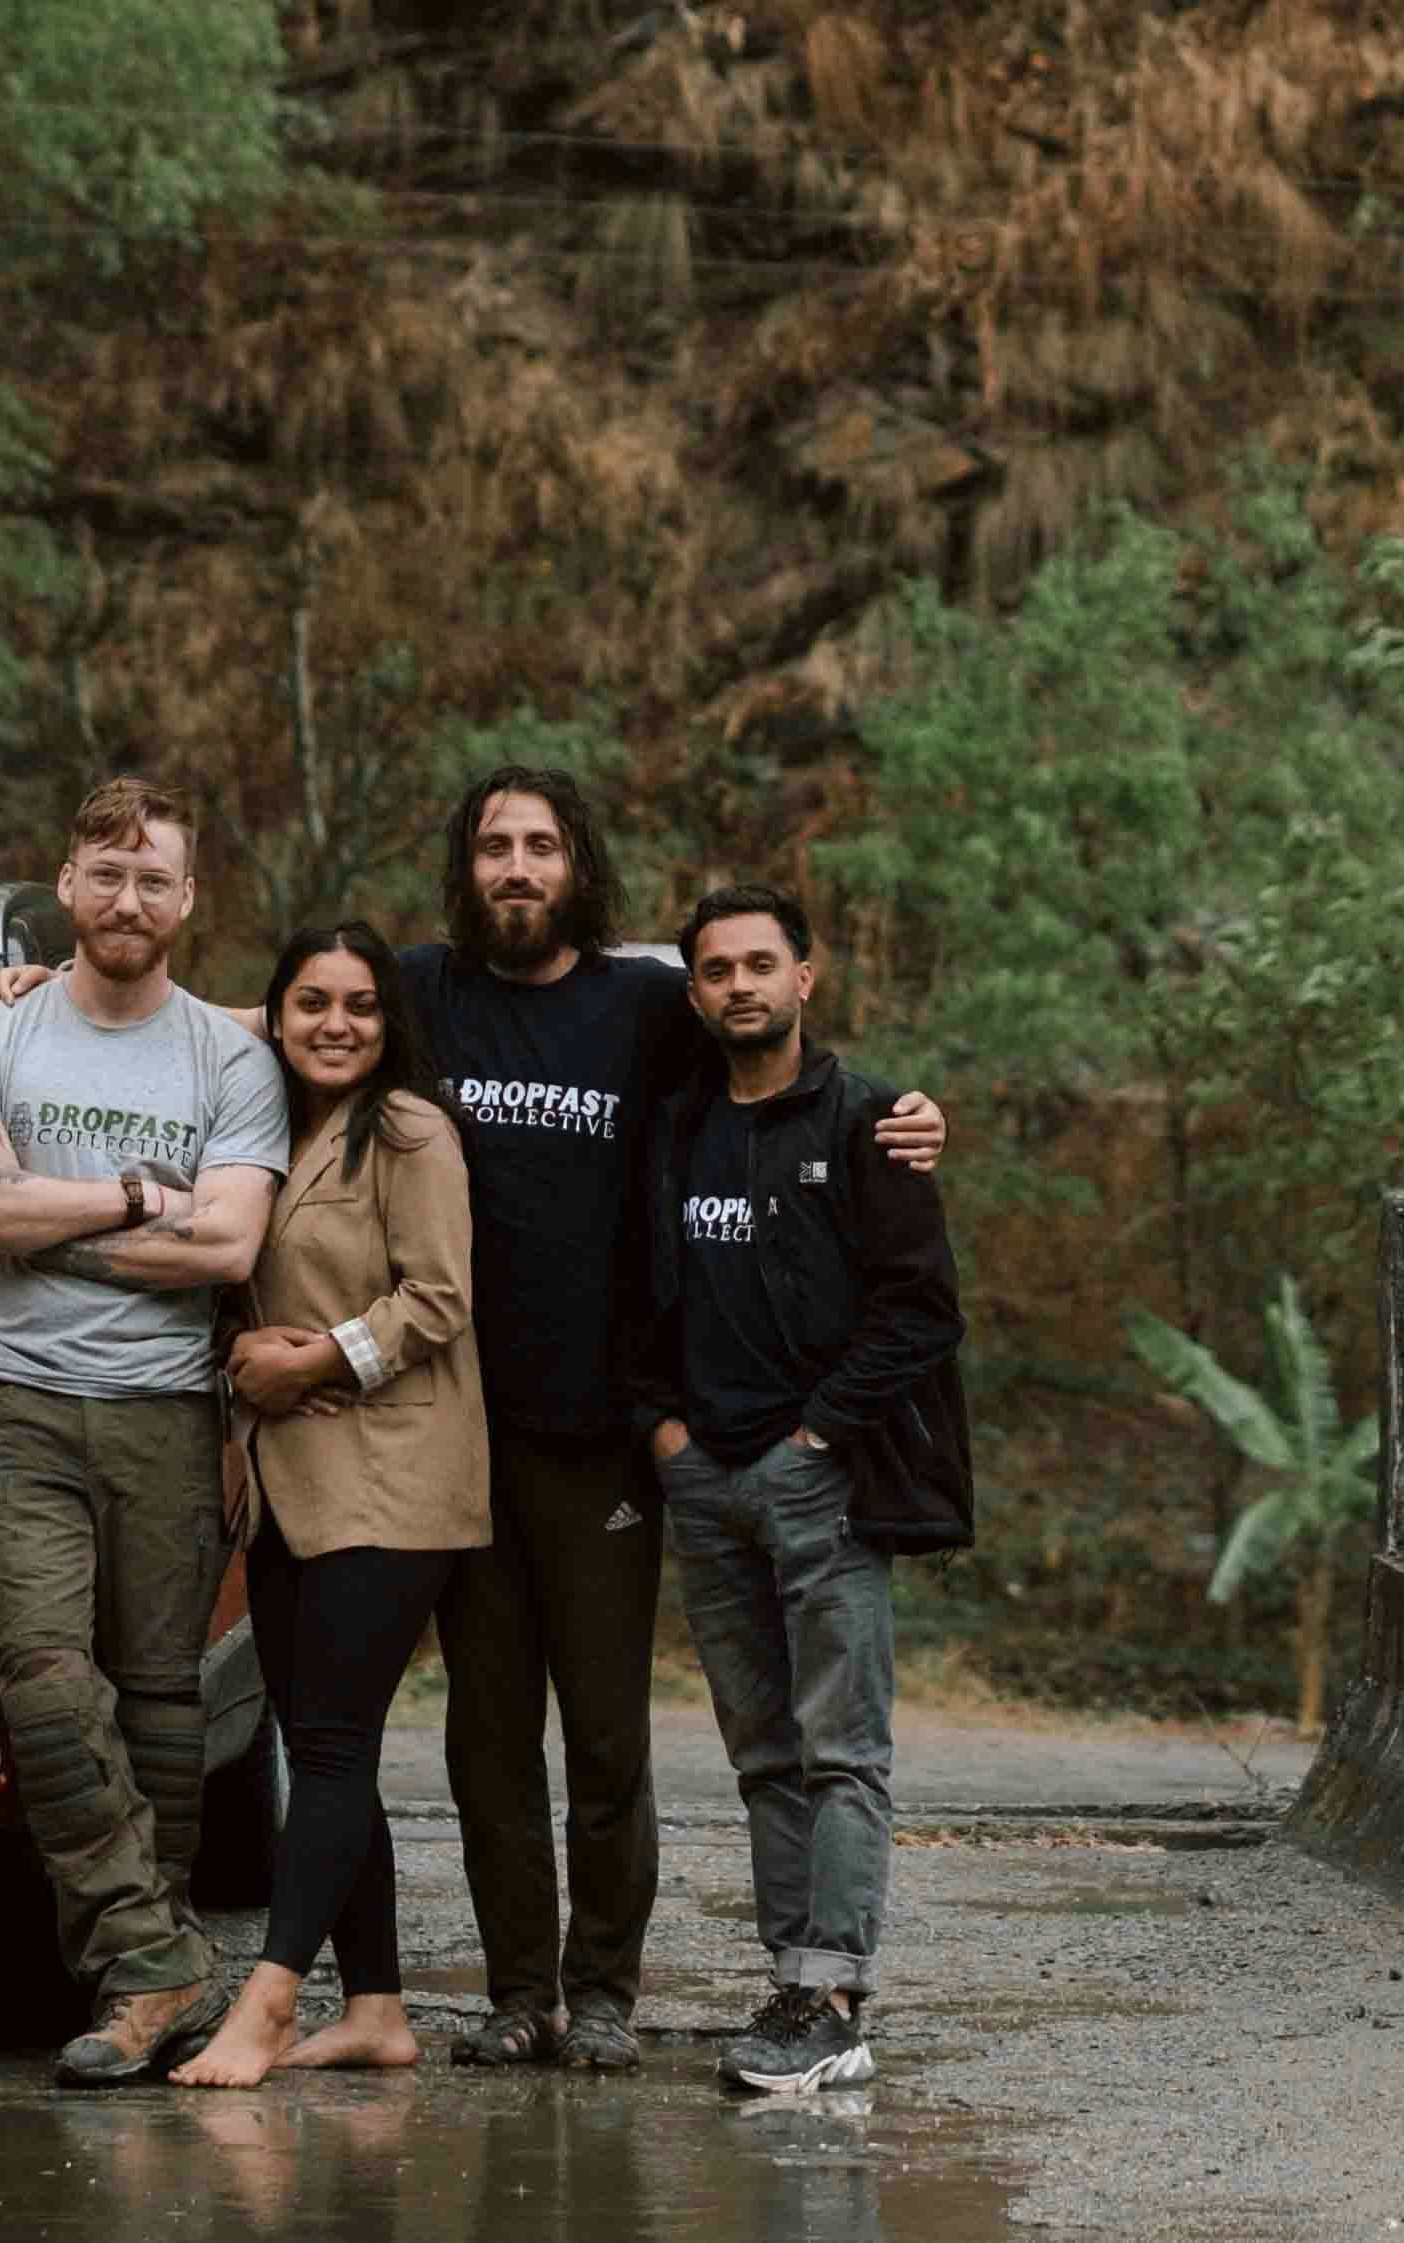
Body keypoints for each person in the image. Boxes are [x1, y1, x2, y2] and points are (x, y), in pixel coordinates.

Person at [398, 772, 942, 2071]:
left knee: (609, 1735)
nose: (517, 864)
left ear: (578, 863)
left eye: (540, 843)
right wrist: (67, 982)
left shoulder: (646, 1003)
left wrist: (906, 1112)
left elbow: (781, 1053)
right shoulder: (424, 990)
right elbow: (292, 1014)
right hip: (460, 1433)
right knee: (487, 1736)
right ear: (467, 868)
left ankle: (605, 1994)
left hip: (611, 1446)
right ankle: (519, 1989)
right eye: (494, 844)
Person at [0, 775, 286, 2084]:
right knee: (49, 1677)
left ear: (187, 898)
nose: (128, 897)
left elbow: (231, 1237)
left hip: (169, 1408)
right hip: (12, 1399)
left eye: (155, 876)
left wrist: (48, 1214)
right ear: (65, 885)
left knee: (164, 1697)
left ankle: (147, 1972)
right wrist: (136, 1195)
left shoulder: (228, 1056)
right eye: (106, 871)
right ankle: (150, 1952)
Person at [643, 881, 968, 2097]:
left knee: (841, 1746)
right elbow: (639, 1297)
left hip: (817, 1480)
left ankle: (834, 1993)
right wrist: (667, 1433)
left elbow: (921, 1312)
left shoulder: (872, 1121)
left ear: (805, 977)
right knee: (762, 1753)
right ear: (694, 991)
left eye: (761, 963)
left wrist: (820, 1437)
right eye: (717, 968)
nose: (741, 984)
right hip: (705, 1480)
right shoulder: (676, 1127)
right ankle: (793, 1979)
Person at [177, 920, 485, 2090]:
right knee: (320, 1751)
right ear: (279, 1011)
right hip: (288, 1483)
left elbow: (440, 1296)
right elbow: (235, 1300)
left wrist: (318, 1361)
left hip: (396, 1476)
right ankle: (376, 2006)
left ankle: (266, 1998)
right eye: (311, 1002)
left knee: (337, 1743)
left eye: (360, 1003)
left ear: (387, 1018)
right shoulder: (262, 1126)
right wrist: (244, 1355)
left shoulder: (409, 1129)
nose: (337, 1024)